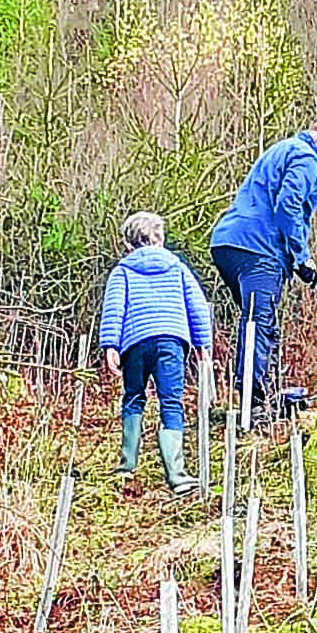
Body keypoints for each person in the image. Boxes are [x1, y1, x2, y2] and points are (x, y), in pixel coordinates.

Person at [209, 117, 317, 424]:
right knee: (259, 324)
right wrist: (302, 257)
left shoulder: (283, 150)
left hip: (229, 244)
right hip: (258, 249)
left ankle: (264, 396)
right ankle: (255, 406)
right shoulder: (306, 157)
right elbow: (288, 206)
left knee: (259, 322)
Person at [99, 211, 212, 496]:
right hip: (172, 341)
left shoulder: (122, 271)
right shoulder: (178, 268)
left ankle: (127, 466)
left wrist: (110, 345)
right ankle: (177, 475)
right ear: (160, 238)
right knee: (171, 402)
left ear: (127, 244)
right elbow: (196, 307)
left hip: (135, 343)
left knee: (134, 397)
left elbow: (114, 309)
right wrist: (202, 345)